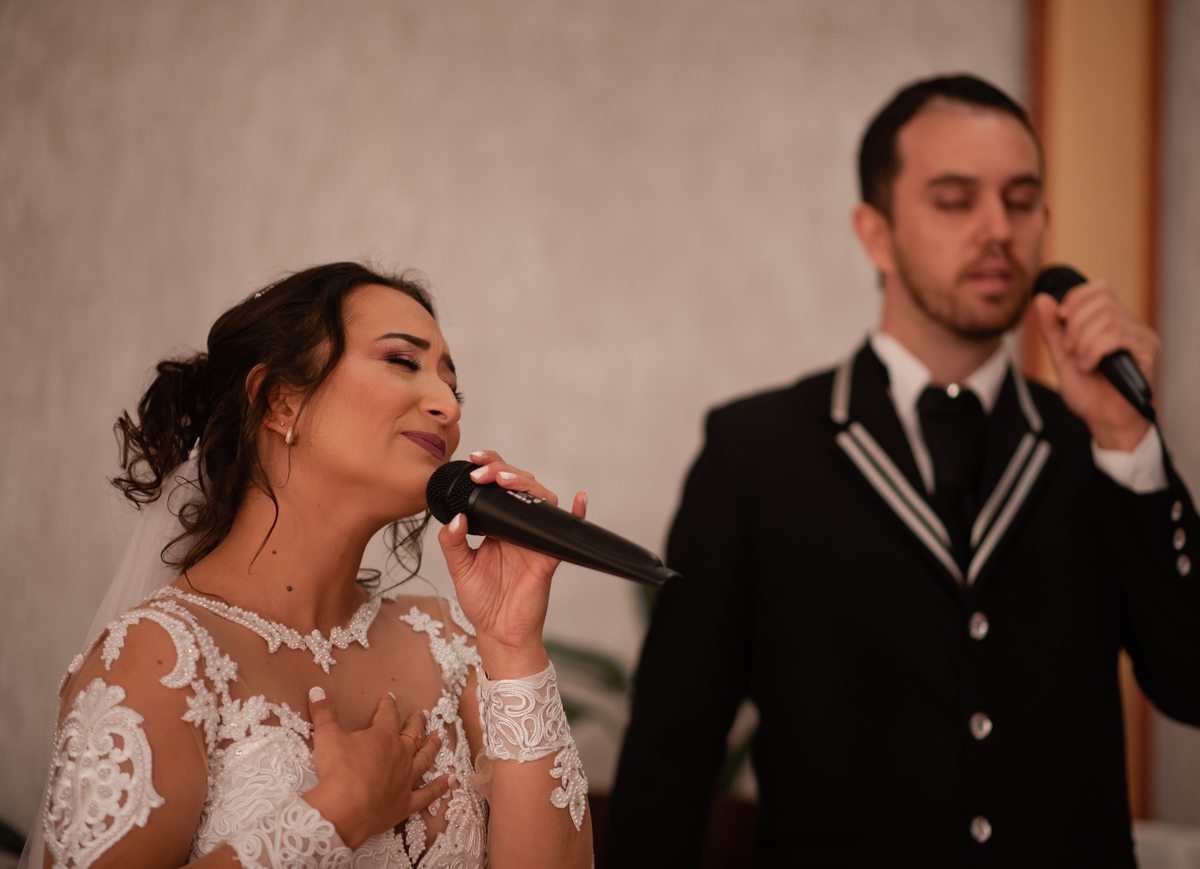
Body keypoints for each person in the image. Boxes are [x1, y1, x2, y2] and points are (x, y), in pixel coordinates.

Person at [606, 75, 1200, 867]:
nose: (999, 229)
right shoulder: (756, 450)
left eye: (1022, 201)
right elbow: (669, 759)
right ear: (875, 233)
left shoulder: (1094, 443)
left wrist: (1129, 441)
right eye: (955, 200)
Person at [23, 263, 593, 869]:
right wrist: (332, 817)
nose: (447, 408)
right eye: (403, 361)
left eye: (453, 388)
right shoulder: (159, 658)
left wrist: (513, 644)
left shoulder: (456, 645)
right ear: (280, 400)